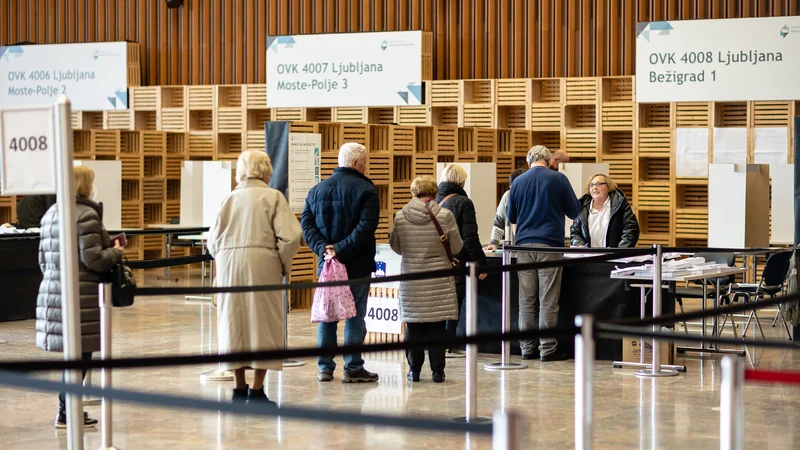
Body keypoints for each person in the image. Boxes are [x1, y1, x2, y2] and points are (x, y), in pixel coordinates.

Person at [208, 150, 302, 405]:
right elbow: (291, 236)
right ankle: (258, 390)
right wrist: (281, 262)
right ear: (266, 169)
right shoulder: (272, 197)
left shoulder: (228, 198)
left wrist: (225, 260)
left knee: (233, 323)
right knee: (265, 324)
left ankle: (239, 389)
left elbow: (212, 241)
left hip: (229, 265)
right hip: (262, 263)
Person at [37, 165, 124, 428]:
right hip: (81, 294)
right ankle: (67, 412)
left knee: (74, 357)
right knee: (81, 357)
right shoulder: (86, 214)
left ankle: (68, 410)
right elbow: (93, 259)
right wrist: (117, 251)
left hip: (55, 291)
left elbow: (42, 259)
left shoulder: (51, 213)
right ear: (84, 185)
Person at [301, 142, 381, 383]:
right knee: (355, 316)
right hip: (355, 264)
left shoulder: (317, 190)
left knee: (328, 315)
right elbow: (366, 228)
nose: (366, 167)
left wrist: (324, 249)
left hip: (327, 265)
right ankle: (353, 367)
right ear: (357, 163)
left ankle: (325, 367)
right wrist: (340, 250)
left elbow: (307, 225)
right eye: (365, 163)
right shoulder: (366, 190)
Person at [508, 145, 581, 362]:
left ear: (528, 160)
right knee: (548, 299)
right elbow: (574, 211)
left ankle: (526, 347)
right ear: (549, 160)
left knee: (526, 299)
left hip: (522, 246)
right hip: (549, 244)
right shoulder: (558, 179)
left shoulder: (518, 182)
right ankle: (547, 349)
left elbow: (512, 216)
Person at [390, 176, 463, 383]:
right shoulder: (445, 215)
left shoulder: (400, 216)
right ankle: (438, 372)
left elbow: (396, 247)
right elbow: (456, 247)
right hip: (439, 279)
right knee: (437, 327)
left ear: (414, 192)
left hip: (411, 279)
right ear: (434, 191)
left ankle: (414, 371)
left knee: (413, 327)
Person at [435, 164, 486, 357]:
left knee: (439, 303)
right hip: (457, 261)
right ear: (461, 181)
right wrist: (481, 262)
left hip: (436, 260)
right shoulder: (464, 203)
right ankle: (450, 343)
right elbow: (470, 237)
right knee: (455, 301)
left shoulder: (433, 200)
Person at [570, 174, 640, 248]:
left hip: (614, 257)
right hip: (588, 257)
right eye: (591, 185)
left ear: (608, 187)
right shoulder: (582, 207)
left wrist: (620, 251)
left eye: (599, 184)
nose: (595, 187)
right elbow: (575, 232)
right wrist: (580, 245)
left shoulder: (620, 204)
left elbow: (631, 229)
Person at [484, 168, 527, 251]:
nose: (513, 192)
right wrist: (493, 243)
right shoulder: (507, 196)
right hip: (511, 249)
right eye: (511, 188)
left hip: (529, 248)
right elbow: (498, 224)